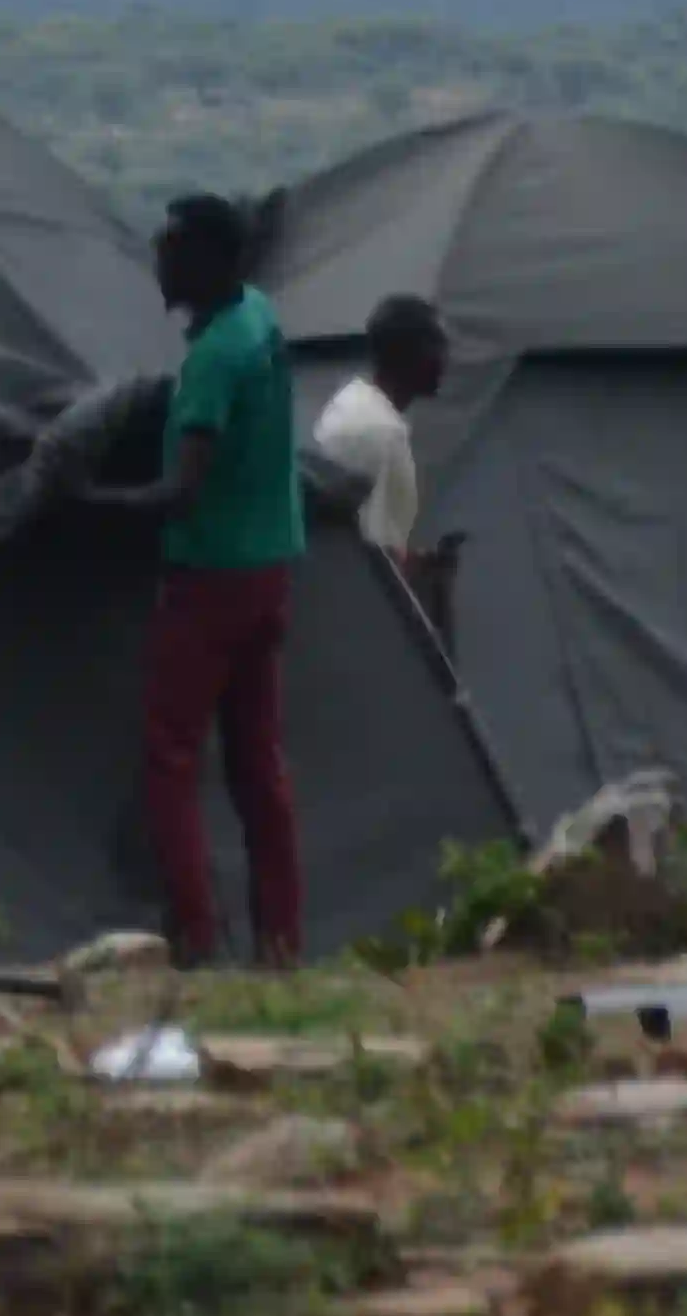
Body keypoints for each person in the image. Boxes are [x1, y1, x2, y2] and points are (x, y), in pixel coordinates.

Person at [86, 192, 305, 969]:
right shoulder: (260, 318)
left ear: (213, 259)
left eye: (173, 248)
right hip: (270, 569)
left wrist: (94, 504)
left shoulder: (214, 357)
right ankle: (280, 940)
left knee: (172, 755)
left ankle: (196, 936)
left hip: (210, 577)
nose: (159, 259)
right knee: (258, 760)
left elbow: (184, 489)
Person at [313, 291, 462, 647]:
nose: (447, 359)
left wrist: (421, 562)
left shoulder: (351, 403)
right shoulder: (379, 432)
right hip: (363, 632)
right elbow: (377, 564)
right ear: (411, 355)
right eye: (438, 346)